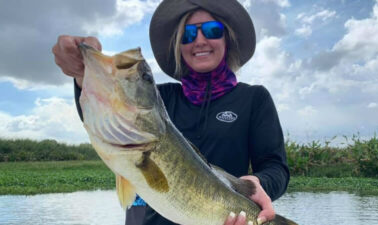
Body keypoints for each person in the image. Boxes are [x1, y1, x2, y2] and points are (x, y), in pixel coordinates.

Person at [52, 0, 289, 225]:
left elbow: (275, 167)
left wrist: (258, 183)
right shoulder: (161, 98)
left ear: (228, 37)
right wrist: (83, 73)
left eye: (212, 30)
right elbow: (106, 115)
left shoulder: (254, 99)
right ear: (178, 45)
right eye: (187, 34)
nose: (199, 40)